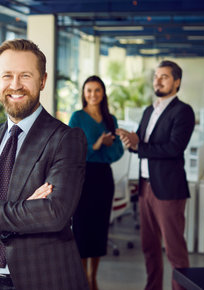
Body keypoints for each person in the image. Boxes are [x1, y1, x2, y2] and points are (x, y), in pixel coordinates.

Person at [0, 38, 89, 290]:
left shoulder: (66, 139)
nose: (15, 85)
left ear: (42, 80)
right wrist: (24, 211)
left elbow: (54, 214)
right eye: (7, 76)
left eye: (25, 75)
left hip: (44, 279)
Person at [116, 60, 195, 290]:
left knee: (174, 251)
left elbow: (174, 148)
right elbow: (139, 143)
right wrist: (128, 140)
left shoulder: (183, 111)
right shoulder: (149, 110)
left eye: (164, 77)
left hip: (168, 189)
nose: (157, 80)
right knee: (149, 248)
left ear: (177, 82)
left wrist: (139, 146)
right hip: (145, 189)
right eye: (156, 76)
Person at [69, 75, 124, 290]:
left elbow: (118, 151)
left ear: (103, 94)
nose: (93, 95)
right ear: (84, 93)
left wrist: (107, 146)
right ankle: (83, 278)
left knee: (99, 230)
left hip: (103, 178)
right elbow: (72, 150)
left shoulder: (111, 120)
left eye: (97, 90)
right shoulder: (77, 118)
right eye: (89, 90)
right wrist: (97, 145)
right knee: (82, 229)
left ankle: (93, 278)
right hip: (83, 178)